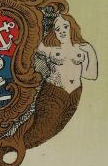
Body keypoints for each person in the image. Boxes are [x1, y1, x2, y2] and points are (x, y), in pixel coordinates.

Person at [26, 12, 98, 148]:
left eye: (65, 26)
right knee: (40, 130)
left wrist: (89, 53)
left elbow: (91, 75)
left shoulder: (84, 48)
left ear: (72, 27)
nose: (62, 31)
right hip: (53, 92)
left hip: (74, 94)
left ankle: (14, 147)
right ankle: (12, 147)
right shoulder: (48, 47)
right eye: (57, 29)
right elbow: (29, 48)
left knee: (55, 129)